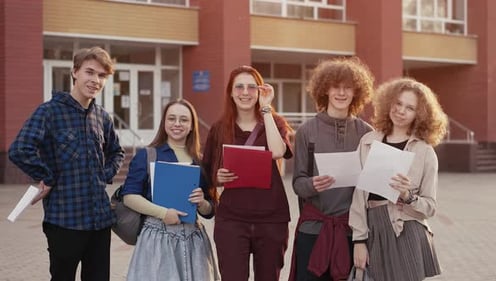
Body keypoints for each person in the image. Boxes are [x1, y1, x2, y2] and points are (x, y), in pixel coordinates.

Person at [8, 46, 125, 281]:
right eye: (89, 72)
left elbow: (116, 152)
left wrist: (104, 175)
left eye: (101, 76)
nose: (95, 80)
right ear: (75, 72)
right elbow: (19, 149)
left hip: (99, 221)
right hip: (64, 221)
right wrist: (47, 177)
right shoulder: (49, 112)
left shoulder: (102, 116)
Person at [349, 77, 447, 281]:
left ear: (419, 115)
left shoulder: (425, 152)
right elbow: (358, 197)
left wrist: (407, 195)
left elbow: (430, 207)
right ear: (388, 103)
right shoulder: (368, 141)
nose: (401, 111)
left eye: (410, 108)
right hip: (373, 228)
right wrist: (359, 239)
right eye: (398, 103)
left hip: (406, 229)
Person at [202, 65, 293, 281]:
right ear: (231, 92)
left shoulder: (275, 123)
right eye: (239, 87)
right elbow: (207, 172)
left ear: (260, 91)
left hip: (271, 218)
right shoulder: (219, 129)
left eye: (252, 87)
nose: (245, 92)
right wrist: (218, 177)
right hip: (232, 219)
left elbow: (278, 151)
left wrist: (266, 110)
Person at [289, 57, 375, 281]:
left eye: (348, 88)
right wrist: (312, 184)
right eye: (336, 86)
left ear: (356, 92)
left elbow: (372, 185)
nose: (341, 93)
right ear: (325, 89)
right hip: (314, 230)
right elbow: (298, 182)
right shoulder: (307, 131)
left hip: (352, 232)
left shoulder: (366, 133)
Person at [120, 99, 219, 281]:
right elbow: (129, 196)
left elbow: (211, 209)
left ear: (191, 126)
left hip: (193, 240)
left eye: (183, 120)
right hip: (157, 238)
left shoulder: (201, 161)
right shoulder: (147, 155)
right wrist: (163, 213)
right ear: (164, 123)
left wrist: (202, 203)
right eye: (171, 118)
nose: (177, 124)